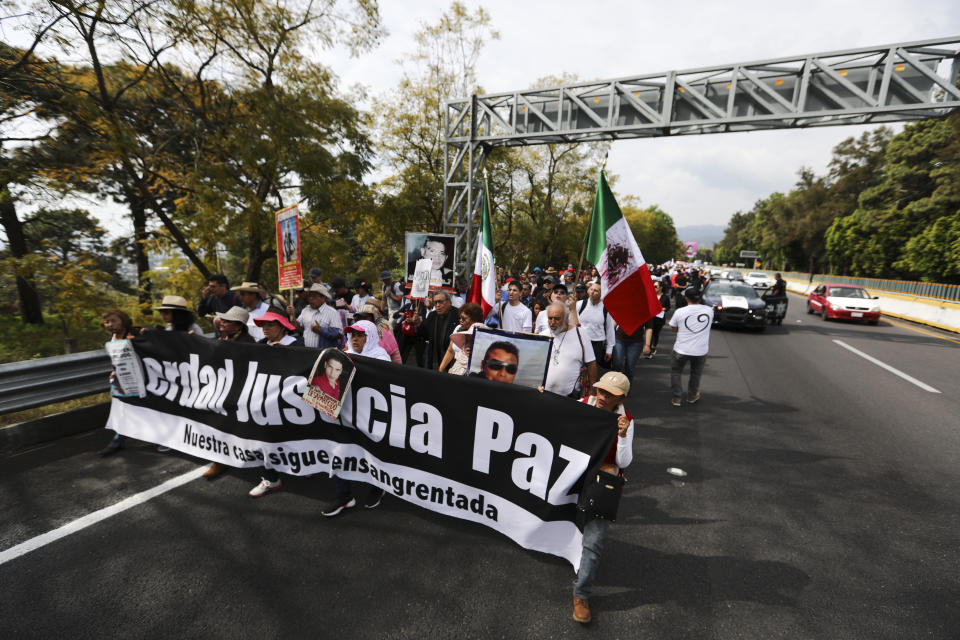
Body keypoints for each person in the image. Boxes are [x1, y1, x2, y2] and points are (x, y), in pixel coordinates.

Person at [572, 371, 634, 624]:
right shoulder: (583, 405)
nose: (602, 397)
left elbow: (624, 462)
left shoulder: (626, 420)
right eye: (600, 390)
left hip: (602, 485)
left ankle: (581, 594)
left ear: (621, 398)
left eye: (609, 394)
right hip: (572, 477)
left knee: (594, 541)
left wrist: (622, 436)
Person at [322, 320, 389, 516]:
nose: (355, 339)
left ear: (371, 337)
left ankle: (378, 485)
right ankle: (344, 495)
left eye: (360, 335)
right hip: (346, 413)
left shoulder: (381, 357)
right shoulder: (344, 356)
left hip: (371, 415)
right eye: (352, 335)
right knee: (342, 450)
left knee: (371, 452)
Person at [247, 313, 304, 498]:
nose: (265, 328)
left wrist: (286, 354)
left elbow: (304, 368)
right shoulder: (260, 346)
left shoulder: (296, 344)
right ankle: (270, 478)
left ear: (282, 327)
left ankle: (304, 465)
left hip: (291, 402)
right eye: (263, 324)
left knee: (296, 436)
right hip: (265, 402)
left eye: (270, 324)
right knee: (265, 439)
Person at [98, 309, 140, 457]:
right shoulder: (112, 338)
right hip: (122, 380)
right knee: (122, 409)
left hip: (142, 379)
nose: (110, 324)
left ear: (123, 320)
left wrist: (137, 340)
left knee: (145, 409)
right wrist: (114, 370)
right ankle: (118, 440)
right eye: (107, 322)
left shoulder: (135, 332)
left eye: (114, 321)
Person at [668, 287, 714, 406]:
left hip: (681, 349)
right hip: (700, 350)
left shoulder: (680, 311)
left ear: (686, 298)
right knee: (695, 374)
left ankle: (677, 398)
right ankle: (692, 396)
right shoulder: (710, 311)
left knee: (676, 372)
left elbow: (673, 328)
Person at [541, 302, 596, 397]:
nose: (552, 322)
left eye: (557, 318)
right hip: (543, 394)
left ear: (566, 318)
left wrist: (592, 389)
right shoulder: (542, 336)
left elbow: (591, 363)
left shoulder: (581, 334)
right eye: (550, 318)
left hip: (570, 397)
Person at [412, 290, 458, 369]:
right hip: (433, 358)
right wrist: (419, 324)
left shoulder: (458, 315)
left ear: (449, 302)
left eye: (440, 302)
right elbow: (425, 335)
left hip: (452, 360)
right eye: (435, 302)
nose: (437, 305)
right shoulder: (432, 315)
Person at [288, 284, 342, 350]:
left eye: (314, 296)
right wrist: (292, 315)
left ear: (323, 298)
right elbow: (297, 329)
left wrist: (321, 330)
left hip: (324, 355)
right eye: (309, 296)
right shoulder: (305, 310)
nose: (310, 298)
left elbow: (339, 335)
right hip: (307, 352)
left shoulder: (332, 313)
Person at [439, 302, 484, 374]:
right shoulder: (458, 328)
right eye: (460, 318)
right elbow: (450, 351)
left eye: (464, 318)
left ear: (474, 319)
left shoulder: (482, 334)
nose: (460, 320)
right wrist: (441, 369)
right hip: (456, 369)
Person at [578, 283, 615, 367]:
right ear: (587, 291)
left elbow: (610, 330)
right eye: (591, 289)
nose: (592, 292)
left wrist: (609, 350)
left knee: (592, 369)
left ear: (601, 294)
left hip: (597, 345)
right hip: (581, 343)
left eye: (596, 291)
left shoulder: (605, 309)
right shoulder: (580, 305)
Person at [647, 279, 671, 357]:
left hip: (659, 318)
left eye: (656, 286)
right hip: (650, 318)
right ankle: (649, 349)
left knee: (655, 333)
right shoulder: (651, 295)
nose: (654, 288)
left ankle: (654, 347)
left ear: (660, 287)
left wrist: (664, 309)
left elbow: (668, 307)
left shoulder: (665, 297)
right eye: (653, 286)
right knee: (649, 332)